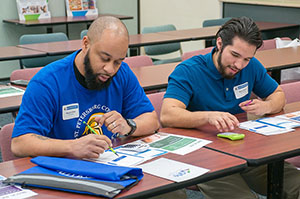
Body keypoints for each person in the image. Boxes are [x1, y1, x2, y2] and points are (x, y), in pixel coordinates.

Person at [161, 16, 300, 198]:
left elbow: (278, 95)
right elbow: (167, 114)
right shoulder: (188, 71)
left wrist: (266, 106)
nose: (239, 65)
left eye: (247, 59)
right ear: (219, 43)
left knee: (296, 186)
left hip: (245, 148)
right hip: (204, 155)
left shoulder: (251, 67)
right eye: (235, 55)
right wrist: (207, 117)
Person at [11, 16, 160, 159]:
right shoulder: (48, 82)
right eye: (104, 58)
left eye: (117, 61)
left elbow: (151, 120)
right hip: (64, 170)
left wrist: (129, 126)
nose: (110, 69)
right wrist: (72, 147)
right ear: (86, 44)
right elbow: (20, 143)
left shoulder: (123, 73)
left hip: (110, 163)